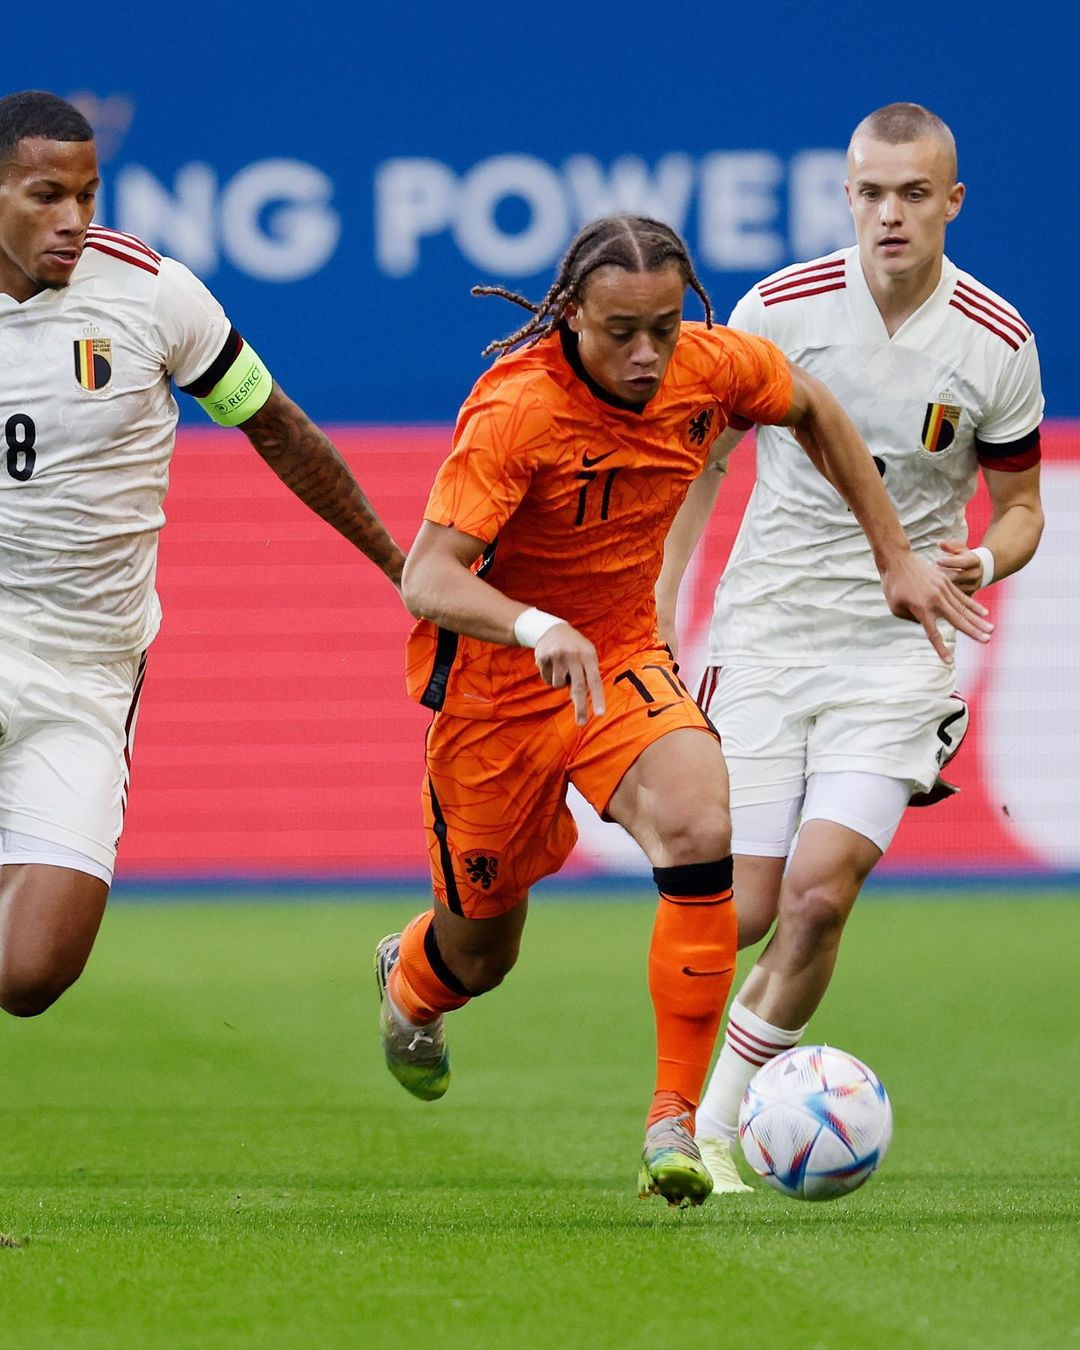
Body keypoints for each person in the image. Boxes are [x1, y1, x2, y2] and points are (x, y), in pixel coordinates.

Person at [374, 211, 991, 1208]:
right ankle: (411, 980)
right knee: (480, 955)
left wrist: (894, 555)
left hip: (619, 656)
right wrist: (534, 625)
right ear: (572, 316)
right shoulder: (516, 411)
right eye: (622, 332)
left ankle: (674, 1119)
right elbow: (428, 577)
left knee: (703, 826)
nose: (647, 354)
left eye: (664, 327)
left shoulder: (711, 366)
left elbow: (815, 408)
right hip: (499, 691)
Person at [656, 103, 1044, 1194]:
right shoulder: (778, 310)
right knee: (741, 912)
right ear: (847, 197)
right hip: (766, 636)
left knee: (822, 894)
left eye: (913, 194)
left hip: (894, 651)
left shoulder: (996, 341)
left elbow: (1022, 508)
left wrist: (982, 562)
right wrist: (661, 596)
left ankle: (709, 1134)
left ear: (952, 202)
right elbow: (702, 462)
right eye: (871, 193)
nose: (890, 215)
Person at [0, 91, 405, 1018]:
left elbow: (275, 426)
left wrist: (396, 564)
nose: (73, 219)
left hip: (88, 674)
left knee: (30, 975)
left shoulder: (154, 295)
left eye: (87, 194)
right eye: (45, 195)